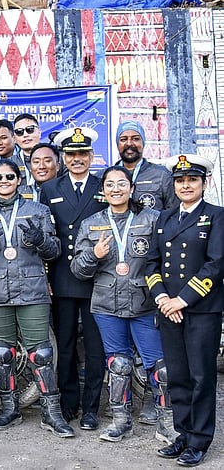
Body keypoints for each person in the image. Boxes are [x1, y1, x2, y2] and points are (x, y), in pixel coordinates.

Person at [0, 159, 73, 437]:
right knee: (2, 352)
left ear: (18, 179)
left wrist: (41, 241)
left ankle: (52, 413)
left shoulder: (38, 211)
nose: (4, 181)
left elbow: (54, 251)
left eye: (9, 176)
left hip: (32, 291)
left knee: (42, 353)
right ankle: (9, 409)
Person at [70, 166, 175, 445]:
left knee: (159, 367)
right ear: (102, 191)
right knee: (118, 363)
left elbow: (168, 259)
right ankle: (121, 422)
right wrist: (94, 254)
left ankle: (167, 424)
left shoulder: (153, 219)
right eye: (110, 185)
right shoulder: (91, 224)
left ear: (131, 188)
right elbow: (78, 270)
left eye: (121, 183)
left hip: (145, 303)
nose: (116, 189)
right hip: (106, 305)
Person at [146, 154, 224, 467]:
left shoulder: (216, 216)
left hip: (201, 310)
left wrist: (183, 299)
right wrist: (163, 298)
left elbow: (216, 263)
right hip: (169, 309)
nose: (186, 185)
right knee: (177, 376)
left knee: (202, 376)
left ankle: (200, 440)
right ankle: (184, 433)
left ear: (203, 183)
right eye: (180, 180)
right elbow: (151, 263)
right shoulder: (164, 218)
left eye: (192, 179)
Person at [39, 127, 108, 430]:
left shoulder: (104, 186)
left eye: (83, 154)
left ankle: (91, 408)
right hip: (63, 278)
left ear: (91, 156)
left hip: (97, 278)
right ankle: (69, 404)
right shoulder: (50, 188)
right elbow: (47, 236)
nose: (77, 159)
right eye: (72, 154)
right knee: (65, 346)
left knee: (95, 348)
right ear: (63, 158)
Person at [114, 120, 177, 211]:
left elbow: (174, 213)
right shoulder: (103, 177)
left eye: (135, 139)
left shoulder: (162, 175)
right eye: (123, 139)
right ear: (117, 144)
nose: (129, 143)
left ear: (143, 143)